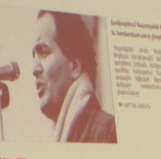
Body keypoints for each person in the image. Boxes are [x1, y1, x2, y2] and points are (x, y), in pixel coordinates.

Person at [32, 10, 116, 143]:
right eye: (34, 56)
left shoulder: (107, 131)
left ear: (75, 67)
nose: (34, 69)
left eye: (44, 52)